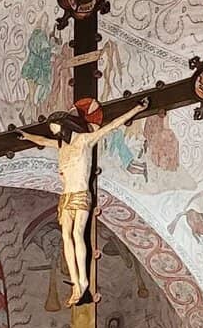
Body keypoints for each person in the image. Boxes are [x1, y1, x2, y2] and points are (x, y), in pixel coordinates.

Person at [19, 99, 148, 304]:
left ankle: (84, 280)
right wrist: (26, 136)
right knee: (66, 239)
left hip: (80, 193)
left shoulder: (85, 140)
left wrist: (136, 108)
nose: (55, 134)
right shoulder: (61, 146)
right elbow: (42, 141)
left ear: (65, 125)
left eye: (56, 129)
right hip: (66, 197)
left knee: (78, 235)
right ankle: (75, 284)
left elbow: (112, 125)